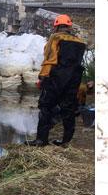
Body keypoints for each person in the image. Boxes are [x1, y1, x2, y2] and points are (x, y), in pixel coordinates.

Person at [26, 14, 87, 147]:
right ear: (69, 26)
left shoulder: (55, 38)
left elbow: (50, 59)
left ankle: (41, 140)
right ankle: (66, 141)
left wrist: (42, 77)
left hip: (56, 78)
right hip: (73, 79)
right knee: (68, 109)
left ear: (57, 26)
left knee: (45, 107)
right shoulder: (80, 42)